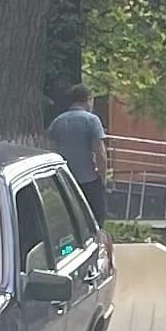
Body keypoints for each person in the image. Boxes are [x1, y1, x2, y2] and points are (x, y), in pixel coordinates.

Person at [47, 84, 109, 225]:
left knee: (71, 220)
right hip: (89, 179)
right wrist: (103, 177)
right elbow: (100, 152)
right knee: (96, 219)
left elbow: (51, 149)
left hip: (65, 180)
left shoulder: (58, 121)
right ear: (88, 100)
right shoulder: (92, 120)